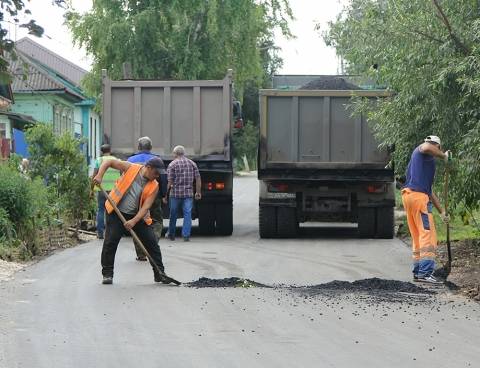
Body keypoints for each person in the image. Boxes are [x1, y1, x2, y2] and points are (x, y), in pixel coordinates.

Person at [93, 157, 169, 285]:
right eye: (156, 173)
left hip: (137, 216)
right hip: (115, 211)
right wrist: (99, 175)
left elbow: (146, 207)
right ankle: (107, 274)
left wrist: (133, 221)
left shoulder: (154, 185)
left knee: (151, 243)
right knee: (110, 242)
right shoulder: (130, 168)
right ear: (149, 168)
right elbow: (108, 162)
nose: (157, 177)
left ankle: (159, 273)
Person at [401, 135, 451, 284]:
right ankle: (425, 273)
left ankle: (418, 272)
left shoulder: (421, 163)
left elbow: (429, 191)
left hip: (409, 196)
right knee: (427, 235)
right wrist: (444, 156)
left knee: (417, 235)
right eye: (438, 149)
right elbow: (427, 146)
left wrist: (442, 211)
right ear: (437, 147)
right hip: (417, 198)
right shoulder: (423, 150)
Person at [128, 136, 167, 260]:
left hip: (134, 195)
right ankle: (152, 244)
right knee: (156, 220)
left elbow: (124, 178)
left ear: (139, 147)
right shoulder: (156, 160)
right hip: (152, 193)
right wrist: (163, 194)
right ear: (150, 147)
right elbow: (163, 178)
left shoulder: (130, 159)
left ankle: (140, 253)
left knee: (136, 221)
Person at [166, 145, 202, 241]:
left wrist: (165, 195)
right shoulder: (192, 163)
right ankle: (186, 235)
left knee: (173, 214)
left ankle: (171, 234)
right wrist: (198, 192)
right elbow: (198, 178)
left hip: (175, 194)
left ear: (175, 154)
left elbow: (170, 181)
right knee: (187, 214)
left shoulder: (172, 165)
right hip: (188, 194)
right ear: (183, 153)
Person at [92, 145, 120, 239]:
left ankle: (100, 233)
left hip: (101, 190)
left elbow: (94, 175)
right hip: (114, 191)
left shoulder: (98, 160)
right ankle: (112, 233)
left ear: (101, 151)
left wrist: (91, 189)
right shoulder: (117, 160)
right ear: (110, 150)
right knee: (113, 211)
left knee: (100, 210)